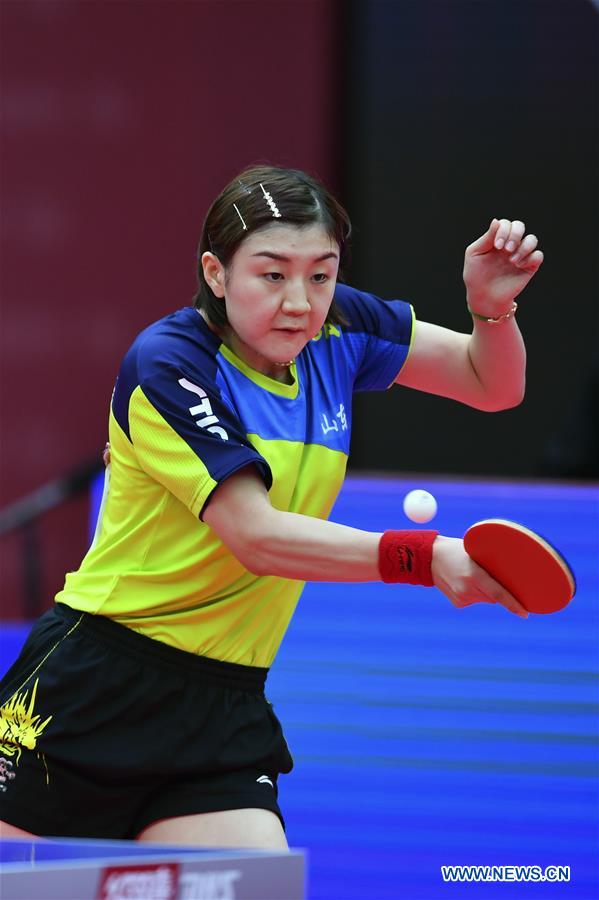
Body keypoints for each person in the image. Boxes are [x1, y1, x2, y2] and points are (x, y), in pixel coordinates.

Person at [0, 165, 543, 849]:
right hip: (96, 685)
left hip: (223, 702)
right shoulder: (170, 363)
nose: (299, 302)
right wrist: (426, 557)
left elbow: (487, 382)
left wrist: (489, 309)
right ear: (216, 273)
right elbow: (254, 536)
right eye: (272, 274)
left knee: (255, 882)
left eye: (320, 274)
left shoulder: (340, 328)